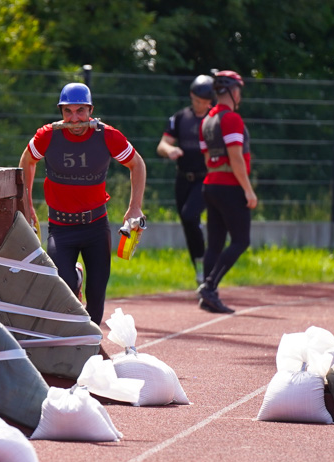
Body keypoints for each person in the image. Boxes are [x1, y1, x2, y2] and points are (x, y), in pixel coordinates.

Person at [18, 82, 146, 325]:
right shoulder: (47, 135)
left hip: (96, 225)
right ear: (61, 112)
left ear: (91, 110)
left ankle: (92, 343)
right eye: (68, 111)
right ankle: (76, 279)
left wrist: (135, 206)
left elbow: (137, 164)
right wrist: (27, 204)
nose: (75, 119)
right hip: (60, 227)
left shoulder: (107, 135)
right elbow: (27, 161)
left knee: (96, 296)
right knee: (63, 286)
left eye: (80, 111)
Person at [197, 70, 258, 314]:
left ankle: (208, 296)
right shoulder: (231, 119)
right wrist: (249, 191)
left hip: (210, 184)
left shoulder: (206, 120)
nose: (239, 96)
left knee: (215, 244)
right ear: (232, 91)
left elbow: (206, 158)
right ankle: (209, 287)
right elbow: (235, 158)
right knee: (241, 240)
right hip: (230, 186)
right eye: (239, 91)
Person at [156, 74, 214, 285]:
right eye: (199, 101)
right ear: (191, 96)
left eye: (206, 102)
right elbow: (162, 145)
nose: (202, 106)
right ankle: (199, 267)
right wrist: (171, 150)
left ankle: (206, 262)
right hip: (183, 178)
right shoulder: (180, 118)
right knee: (187, 223)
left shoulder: (214, 120)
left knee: (191, 216)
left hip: (205, 178)